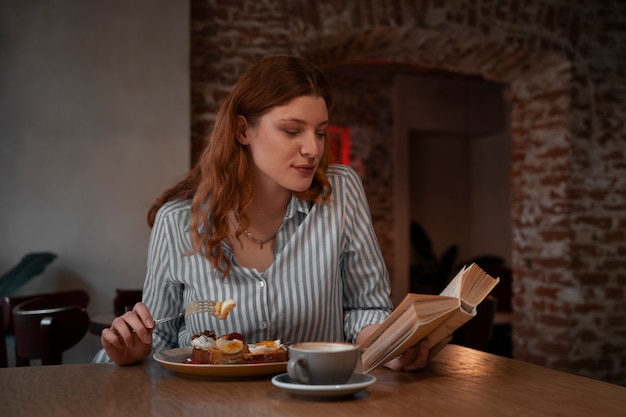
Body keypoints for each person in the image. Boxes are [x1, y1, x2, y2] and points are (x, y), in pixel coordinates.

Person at [96, 55, 451, 370]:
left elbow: (366, 308)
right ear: (242, 130)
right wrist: (128, 353)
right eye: (292, 130)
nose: (313, 148)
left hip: (316, 406)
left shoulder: (340, 192)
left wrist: (388, 344)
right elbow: (158, 339)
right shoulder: (177, 222)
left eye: (321, 132)